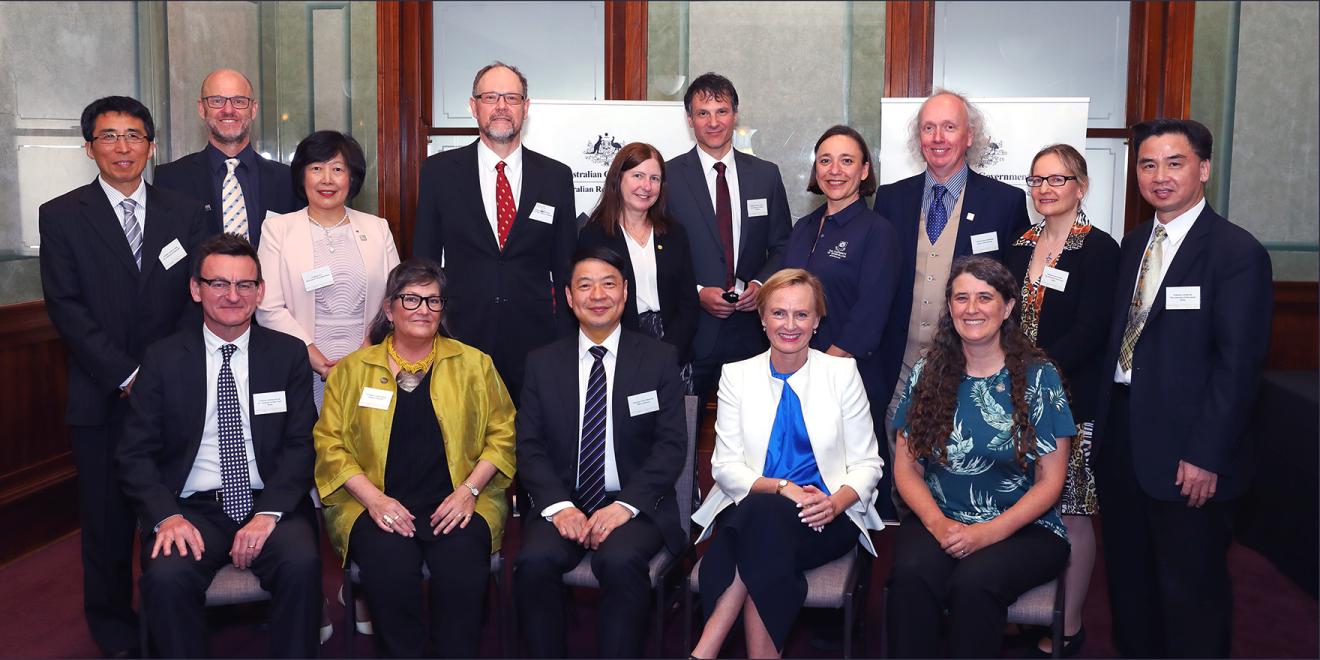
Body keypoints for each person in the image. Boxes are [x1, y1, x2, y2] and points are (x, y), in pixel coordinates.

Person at [1093, 118, 1272, 658]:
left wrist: (1205, 454)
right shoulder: (1134, 243)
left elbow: (1238, 367)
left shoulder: (1235, 253)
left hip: (1188, 453)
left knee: (1190, 592)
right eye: (1148, 165)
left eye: (1175, 163)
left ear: (1204, 169)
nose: (1160, 176)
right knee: (1129, 583)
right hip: (1123, 438)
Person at [38, 95, 208, 658]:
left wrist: (161, 375)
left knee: (176, 509)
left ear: (152, 145)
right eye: (108, 137)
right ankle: (114, 632)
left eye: (134, 135)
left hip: (175, 391)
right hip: (101, 396)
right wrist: (127, 375)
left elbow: (197, 297)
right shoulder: (61, 215)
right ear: (89, 147)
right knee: (108, 525)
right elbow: (67, 309)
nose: (122, 147)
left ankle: (176, 620)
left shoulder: (184, 211)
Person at [116, 234, 322, 657]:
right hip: (191, 508)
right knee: (168, 577)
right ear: (196, 289)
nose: (233, 296)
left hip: (269, 504)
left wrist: (268, 514)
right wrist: (166, 517)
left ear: (260, 291)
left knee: (301, 564)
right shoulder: (162, 359)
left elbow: (302, 444)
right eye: (219, 284)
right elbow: (134, 454)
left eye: (245, 285)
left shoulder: (287, 355)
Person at [314, 258, 516, 658]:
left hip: (457, 501)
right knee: (390, 572)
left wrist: (470, 490)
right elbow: (330, 445)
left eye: (433, 301)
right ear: (389, 309)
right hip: (374, 504)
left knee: (461, 572)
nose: (423, 309)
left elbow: (504, 433)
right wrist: (375, 501)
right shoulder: (351, 371)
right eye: (411, 299)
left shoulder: (475, 365)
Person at [689, 268, 883, 659]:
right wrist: (783, 488)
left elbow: (868, 464)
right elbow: (725, 467)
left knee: (757, 529)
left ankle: (705, 649)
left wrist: (834, 502)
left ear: (817, 321)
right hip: (755, 508)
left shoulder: (841, 374)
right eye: (778, 313)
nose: (789, 325)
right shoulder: (737, 376)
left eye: (801, 315)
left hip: (825, 517)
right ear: (762, 319)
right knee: (765, 517)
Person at [886, 256, 1074, 658]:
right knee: (910, 575)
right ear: (949, 307)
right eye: (961, 298)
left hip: (1026, 527)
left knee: (974, 584)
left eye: (984, 298)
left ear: (1006, 307)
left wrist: (986, 534)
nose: (971, 309)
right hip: (941, 516)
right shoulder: (927, 372)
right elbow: (907, 467)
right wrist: (938, 525)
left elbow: (1051, 481)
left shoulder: (1041, 377)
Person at [514, 247, 687, 658]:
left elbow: (670, 446)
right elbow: (529, 445)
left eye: (609, 284)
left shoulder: (658, 359)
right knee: (535, 561)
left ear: (625, 293)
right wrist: (559, 506)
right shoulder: (542, 363)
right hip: (563, 501)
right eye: (585, 286)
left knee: (620, 561)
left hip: (634, 503)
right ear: (569, 298)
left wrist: (625, 506)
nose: (598, 295)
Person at [872, 90, 1031, 519]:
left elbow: (1012, 289)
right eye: (928, 127)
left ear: (969, 135)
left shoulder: (1006, 203)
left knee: (956, 462)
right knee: (899, 460)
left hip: (968, 364)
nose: (937, 137)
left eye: (948, 126)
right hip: (900, 361)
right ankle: (912, 552)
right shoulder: (891, 199)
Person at [1004, 144, 1120, 657]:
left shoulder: (1098, 249)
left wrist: (1038, 376)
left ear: (1082, 185)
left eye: (1057, 179)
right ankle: (1028, 612)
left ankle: (1069, 626)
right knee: (1022, 507)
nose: (1045, 189)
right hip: (1011, 397)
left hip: (1070, 400)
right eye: (1037, 181)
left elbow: (1092, 330)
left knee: (1072, 509)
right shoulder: (1018, 244)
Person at [412, 61, 577, 404]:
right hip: (461, 336)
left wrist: (566, 341)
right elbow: (424, 261)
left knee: (530, 445)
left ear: (526, 108)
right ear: (474, 107)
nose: (501, 106)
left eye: (512, 98)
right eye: (491, 97)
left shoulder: (556, 177)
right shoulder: (439, 173)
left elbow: (566, 268)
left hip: (537, 342)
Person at [784, 124, 901, 517]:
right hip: (799, 377)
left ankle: (867, 570)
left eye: (847, 160)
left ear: (865, 171)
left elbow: (871, 313)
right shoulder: (802, 228)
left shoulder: (878, 232)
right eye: (825, 160)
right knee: (808, 474)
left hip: (851, 377)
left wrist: (823, 371)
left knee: (855, 480)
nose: (835, 170)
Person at [664, 72, 792, 399]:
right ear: (689, 119)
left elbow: (782, 246)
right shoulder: (667, 177)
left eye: (721, 111)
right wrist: (696, 292)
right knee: (686, 438)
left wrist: (761, 287)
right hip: (692, 334)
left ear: (735, 115)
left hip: (752, 334)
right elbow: (657, 253)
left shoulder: (766, 175)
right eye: (702, 113)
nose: (713, 122)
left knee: (755, 436)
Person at [256, 130, 400, 410]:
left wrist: (360, 356)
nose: (327, 179)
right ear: (302, 175)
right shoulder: (278, 230)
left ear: (352, 177)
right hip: (301, 364)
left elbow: (394, 300)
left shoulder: (377, 228)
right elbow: (268, 307)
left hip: (369, 362)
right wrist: (320, 363)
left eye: (337, 169)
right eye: (316, 168)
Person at [577, 141, 700, 390]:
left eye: (655, 178)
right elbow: (592, 301)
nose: (646, 186)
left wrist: (669, 353)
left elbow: (688, 302)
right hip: (618, 350)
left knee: (675, 428)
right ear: (618, 179)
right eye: (638, 176)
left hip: (674, 349)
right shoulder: (594, 235)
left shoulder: (675, 233)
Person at [154, 68, 297, 246]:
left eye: (239, 101)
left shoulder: (288, 180)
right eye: (217, 101)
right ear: (201, 108)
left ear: (253, 110)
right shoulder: (172, 179)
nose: (228, 110)